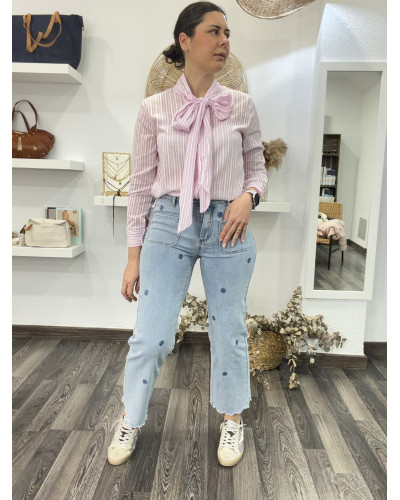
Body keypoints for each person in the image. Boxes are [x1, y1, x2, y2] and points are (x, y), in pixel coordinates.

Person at [107, 1, 268, 468]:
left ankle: (233, 420)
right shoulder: (153, 109)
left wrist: (249, 196)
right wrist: (132, 257)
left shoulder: (241, 106)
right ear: (185, 40)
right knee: (152, 335)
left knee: (229, 331)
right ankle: (130, 417)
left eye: (227, 34)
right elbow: (140, 187)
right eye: (214, 32)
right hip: (167, 221)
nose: (224, 42)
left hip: (227, 225)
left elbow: (257, 169)